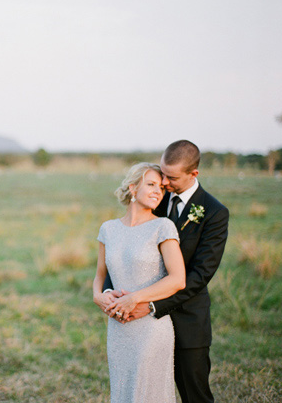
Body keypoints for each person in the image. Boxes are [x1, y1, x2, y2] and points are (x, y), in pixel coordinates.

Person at [100, 140, 229, 403]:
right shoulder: (154, 197)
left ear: (194, 174)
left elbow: (199, 276)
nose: (164, 183)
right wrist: (110, 295)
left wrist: (150, 306)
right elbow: (127, 247)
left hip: (186, 319)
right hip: (137, 321)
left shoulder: (214, 213)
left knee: (195, 395)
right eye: (161, 175)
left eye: (171, 178)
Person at [93, 162, 186, 403]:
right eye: (151, 184)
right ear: (133, 188)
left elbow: (178, 279)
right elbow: (100, 276)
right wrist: (98, 296)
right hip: (118, 328)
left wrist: (135, 297)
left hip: (151, 327)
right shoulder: (108, 229)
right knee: (123, 392)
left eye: (162, 188)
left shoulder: (162, 226)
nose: (158, 191)